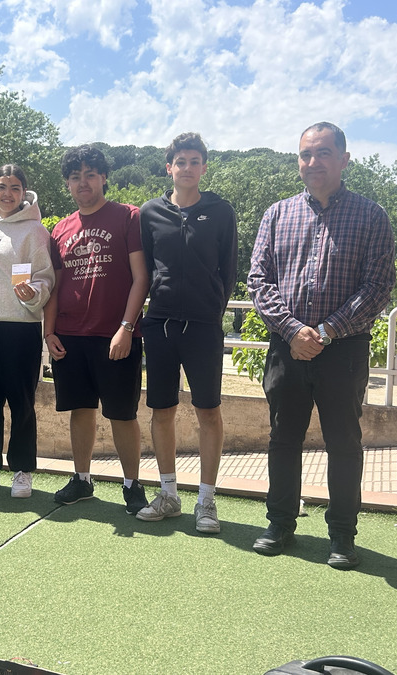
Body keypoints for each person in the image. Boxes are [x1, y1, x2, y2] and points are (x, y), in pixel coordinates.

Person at [248, 122, 395, 569]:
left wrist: (326, 331)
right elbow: (259, 280)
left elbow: (378, 286)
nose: (313, 162)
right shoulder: (277, 214)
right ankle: (280, 523)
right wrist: (293, 331)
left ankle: (343, 535)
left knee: (344, 442)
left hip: (344, 351)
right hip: (286, 348)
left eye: (323, 153)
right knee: (282, 438)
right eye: (305, 154)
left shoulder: (372, 216)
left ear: (344, 159)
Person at [135, 132, 238, 532]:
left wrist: (212, 310)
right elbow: (143, 272)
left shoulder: (221, 211)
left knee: (208, 411)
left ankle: (207, 500)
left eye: (195, 161)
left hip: (203, 327)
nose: (188, 168)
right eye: (181, 161)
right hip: (159, 324)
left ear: (204, 168)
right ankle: (168, 495)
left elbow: (228, 272)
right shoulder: (150, 213)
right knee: (161, 410)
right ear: (169, 168)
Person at [45, 145, 150, 514]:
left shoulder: (128, 216)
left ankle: (132, 485)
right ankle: (82, 479)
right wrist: (49, 331)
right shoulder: (60, 228)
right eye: (75, 176)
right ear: (68, 184)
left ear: (104, 177)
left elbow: (142, 278)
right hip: (70, 334)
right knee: (80, 409)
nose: (83, 182)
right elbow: (55, 286)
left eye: (90, 174)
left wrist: (126, 327)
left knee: (122, 413)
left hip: (115, 335)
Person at [0, 165, 54, 498]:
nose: (7, 193)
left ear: (24, 193)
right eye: (2, 186)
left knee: (21, 402)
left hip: (20, 327)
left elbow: (46, 276)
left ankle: (22, 471)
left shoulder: (35, 230)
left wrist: (35, 293)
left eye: (14, 188)